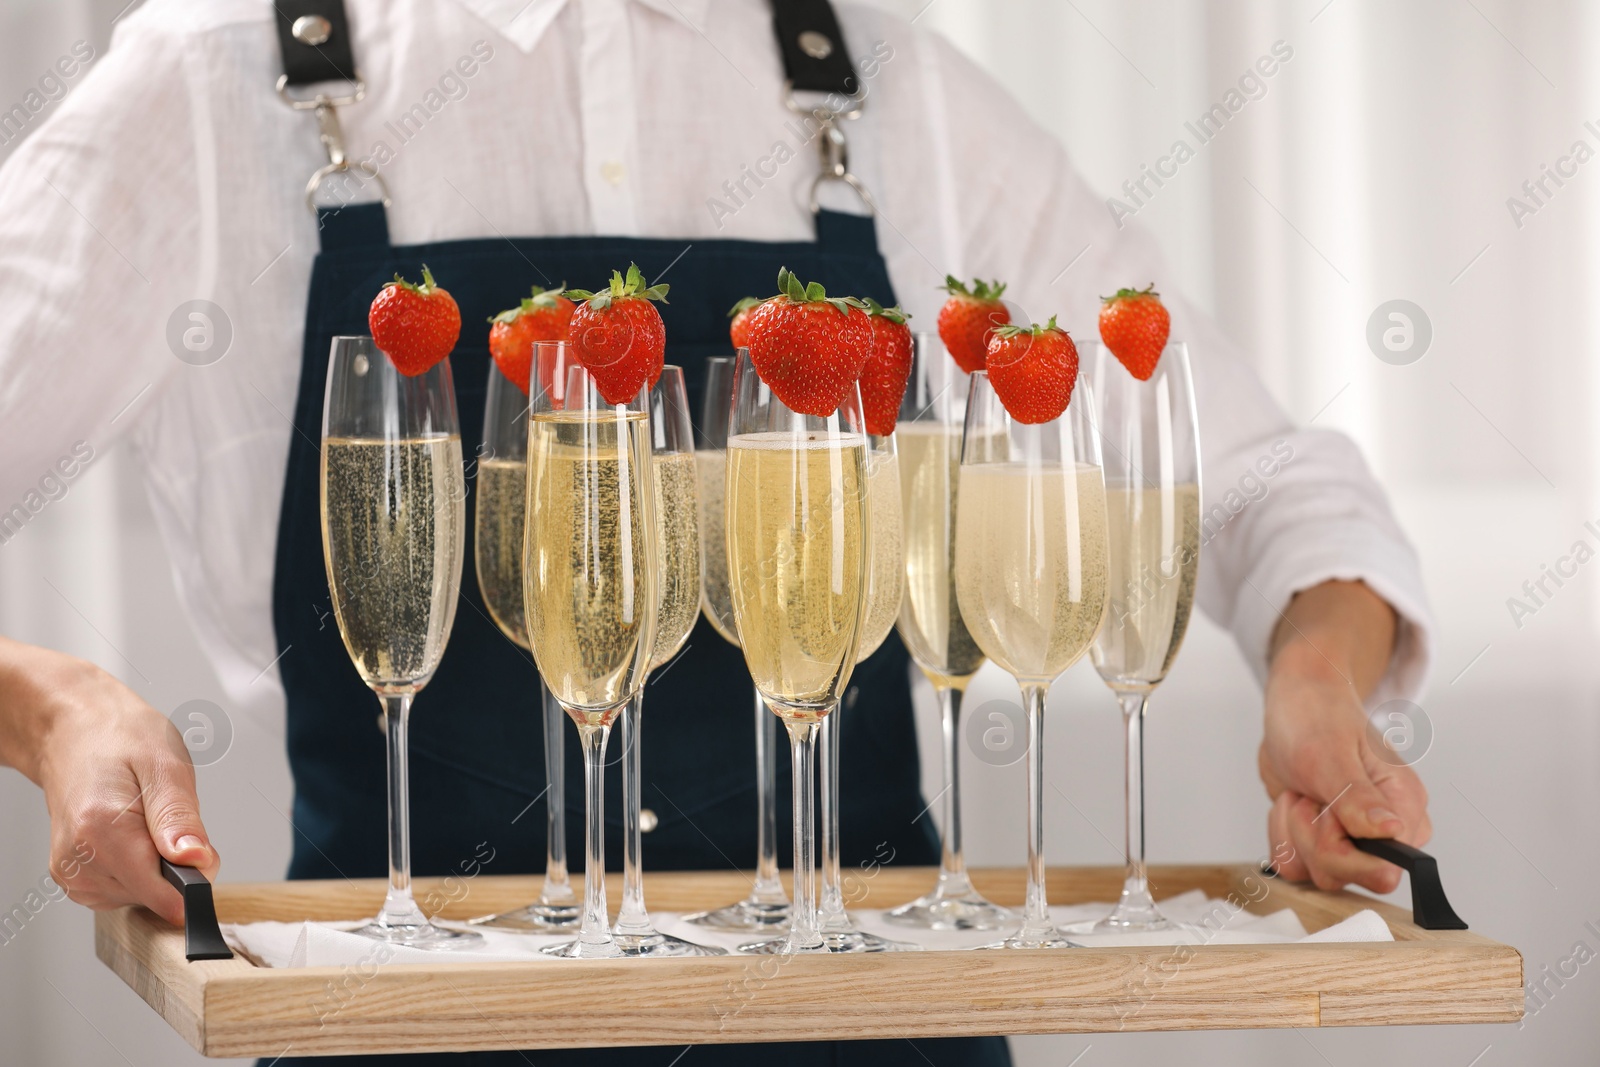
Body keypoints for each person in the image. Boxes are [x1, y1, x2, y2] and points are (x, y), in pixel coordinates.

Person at [0, 1, 1432, 1064]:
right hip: (412, 1022)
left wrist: (1316, 684)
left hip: (872, 1022)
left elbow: (1263, 484)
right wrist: (52, 705)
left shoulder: (881, 83)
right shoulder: (213, 78)